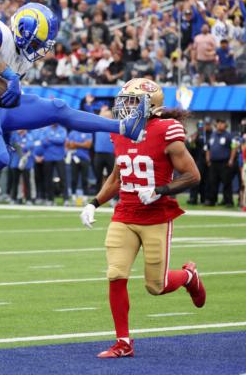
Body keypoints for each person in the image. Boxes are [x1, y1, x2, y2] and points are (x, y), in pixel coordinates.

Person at [0, 3, 148, 183]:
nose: (39, 50)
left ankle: (124, 127)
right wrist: (10, 76)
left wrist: (8, 135)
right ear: (23, 30)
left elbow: (7, 99)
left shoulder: (24, 58)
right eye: (37, 43)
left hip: (1, 108)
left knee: (58, 108)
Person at [79, 78, 205, 358]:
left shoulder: (167, 131)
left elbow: (193, 176)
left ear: (152, 106)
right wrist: (94, 203)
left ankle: (188, 277)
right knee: (115, 275)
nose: (125, 106)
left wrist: (160, 190)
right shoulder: (120, 132)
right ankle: (123, 342)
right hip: (124, 214)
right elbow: (117, 176)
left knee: (155, 286)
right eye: (125, 100)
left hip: (156, 217)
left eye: (133, 101)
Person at [205, 119, 236, 207]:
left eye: (222, 123)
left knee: (226, 182)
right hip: (213, 163)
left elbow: (234, 147)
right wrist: (208, 159)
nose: (220, 125)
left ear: (225, 125)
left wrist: (231, 160)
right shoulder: (212, 135)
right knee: (212, 182)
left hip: (224, 163)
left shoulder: (229, 135)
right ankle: (212, 200)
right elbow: (208, 148)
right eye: (218, 123)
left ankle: (228, 201)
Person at [66, 129, 92, 205]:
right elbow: (67, 145)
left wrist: (76, 144)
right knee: (74, 179)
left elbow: (88, 145)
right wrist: (81, 144)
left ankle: (85, 198)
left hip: (85, 158)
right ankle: (73, 197)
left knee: (85, 179)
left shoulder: (87, 132)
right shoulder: (72, 133)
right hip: (74, 158)